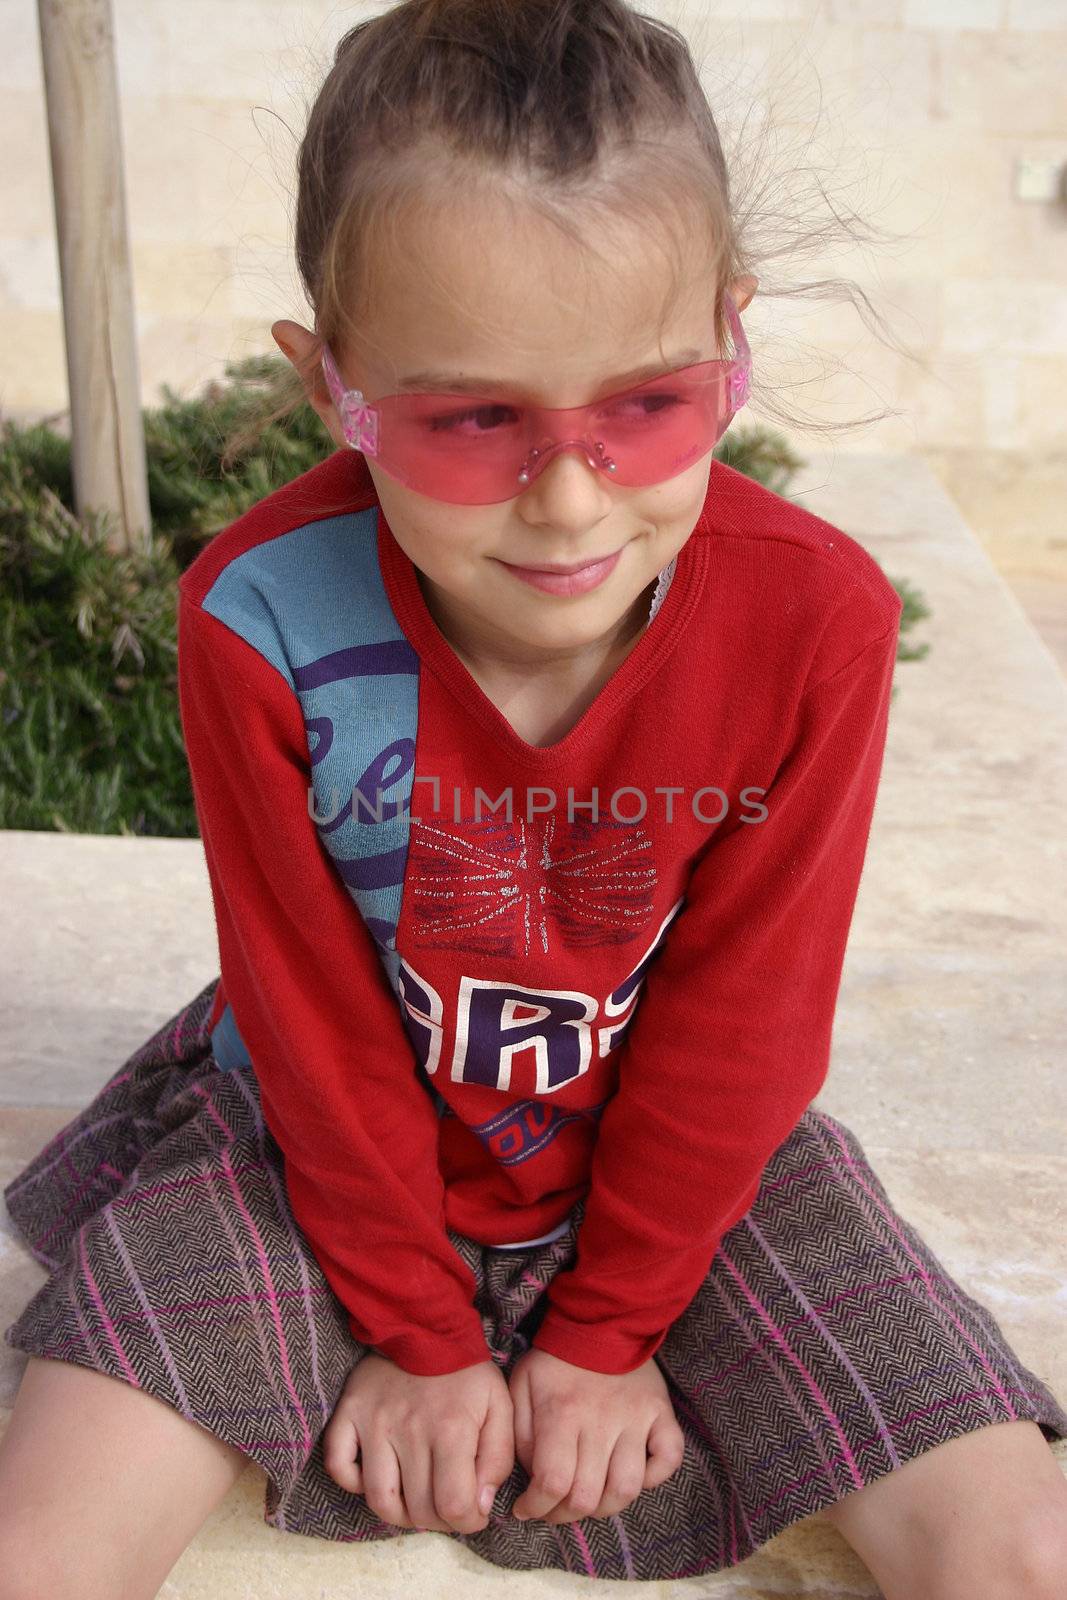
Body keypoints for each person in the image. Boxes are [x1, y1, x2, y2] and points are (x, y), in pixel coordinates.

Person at [3, 2, 1066, 1598]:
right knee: (45, 1535)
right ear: (332, 388)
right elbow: (308, 1015)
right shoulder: (257, 618)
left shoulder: (816, 620)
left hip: (691, 1156)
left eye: (647, 404)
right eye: (473, 420)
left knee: (1016, 1541)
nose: (571, 497)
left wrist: (608, 1330)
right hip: (315, 1143)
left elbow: (744, 1019)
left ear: (732, 337)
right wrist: (426, 1339)